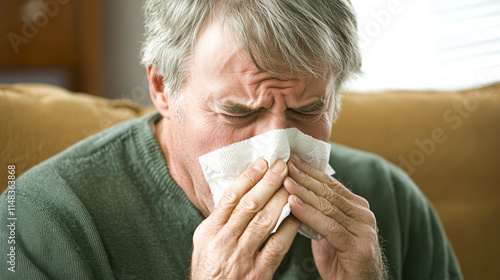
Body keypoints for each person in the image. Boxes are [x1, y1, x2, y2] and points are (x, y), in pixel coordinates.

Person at [0, 0, 462, 279]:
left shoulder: (390, 202)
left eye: (308, 109)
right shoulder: (41, 222)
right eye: (239, 111)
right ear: (162, 87)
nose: (277, 148)